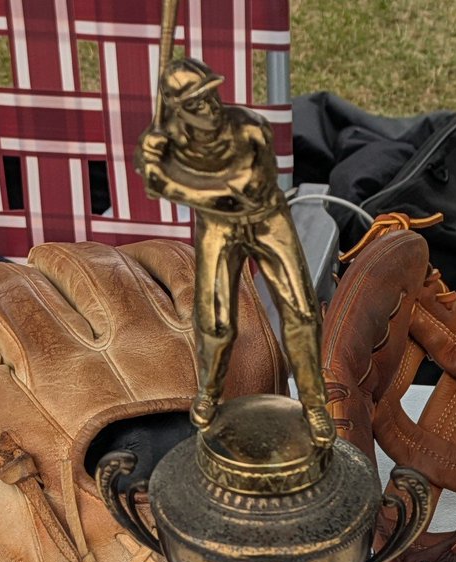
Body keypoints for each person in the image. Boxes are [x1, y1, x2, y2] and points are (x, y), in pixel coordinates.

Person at [136, 57, 334, 449]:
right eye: (194, 103)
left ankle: (314, 404)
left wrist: (164, 176)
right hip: (217, 229)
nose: (208, 107)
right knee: (214, 323)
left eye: (209, 96)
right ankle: (209, 391)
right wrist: (152, 162)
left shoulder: (249, 128)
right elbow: (164, 188)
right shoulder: (168, 143)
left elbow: (239, 189)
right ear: (178, 110)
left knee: (301, 312)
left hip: (266, 217)